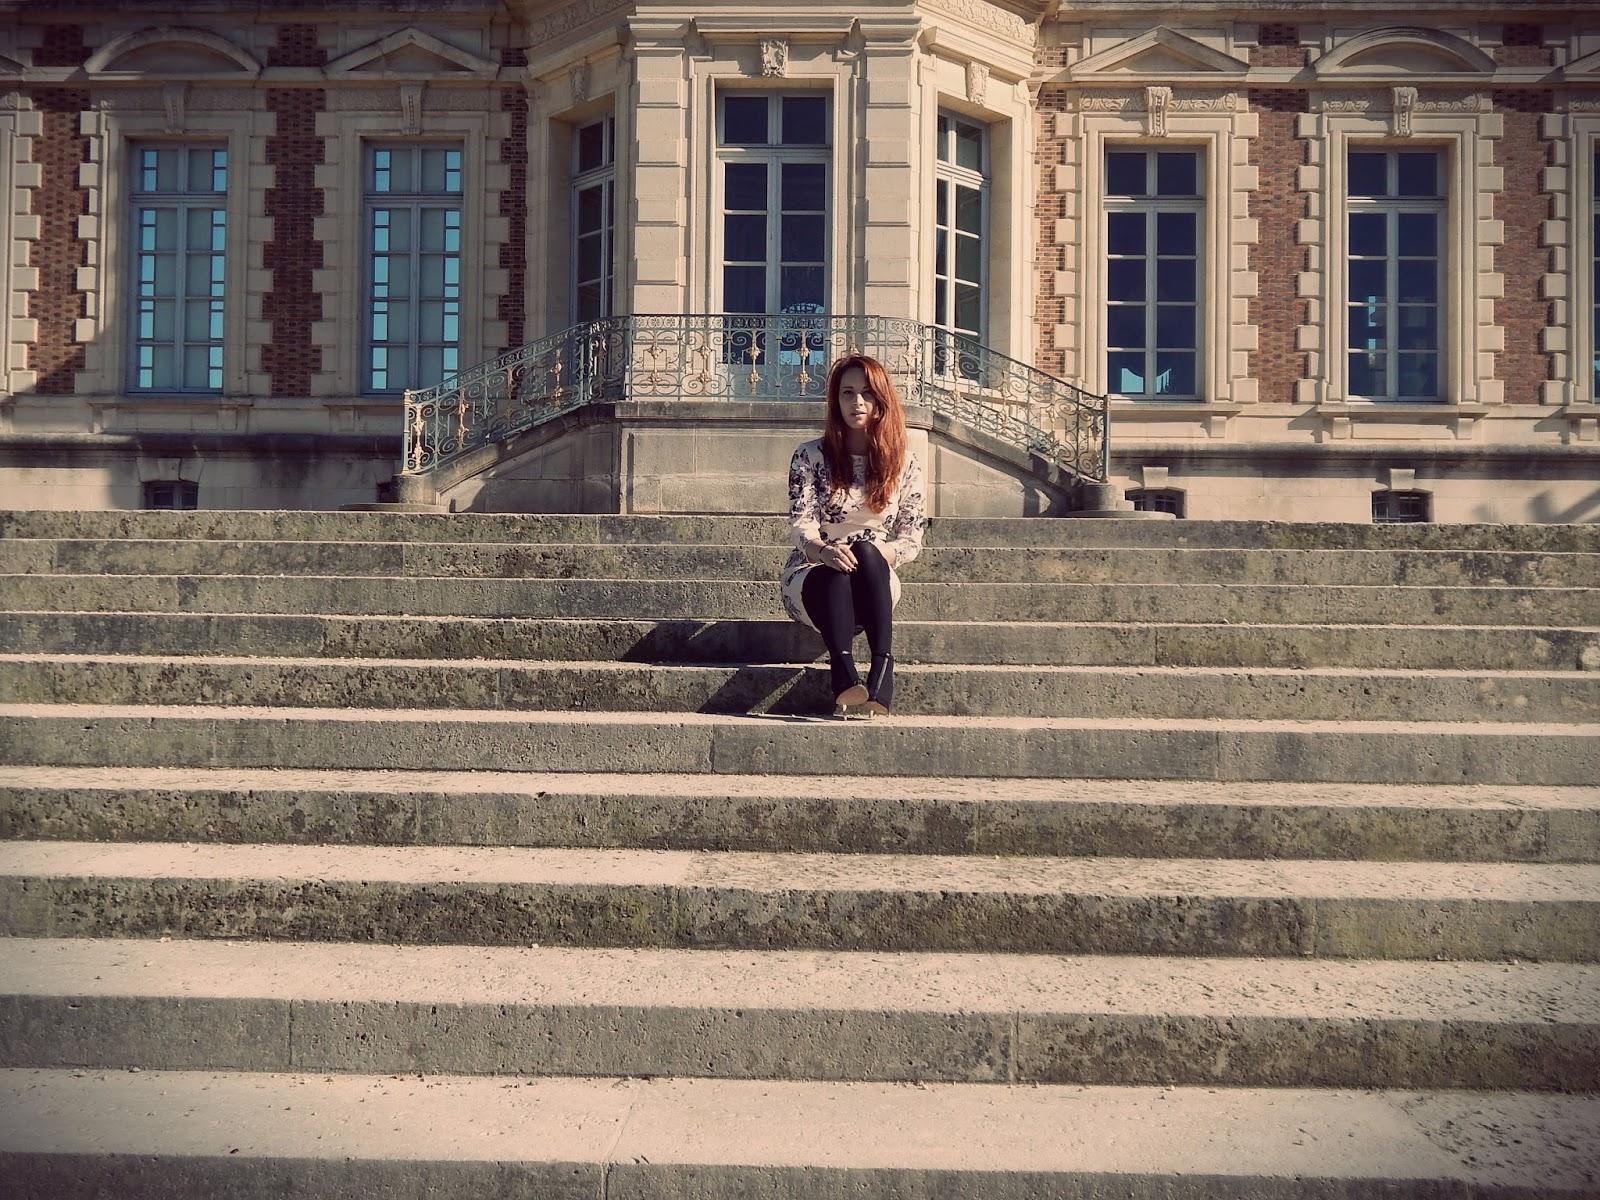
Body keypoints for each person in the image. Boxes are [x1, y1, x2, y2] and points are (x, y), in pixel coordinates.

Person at [781, 354, 926, 717]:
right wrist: (824, 551)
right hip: (813, 576)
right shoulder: (809, 455)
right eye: (847, 393)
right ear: (835, 400)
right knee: (836, 569)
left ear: (881, 401)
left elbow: (911, 538)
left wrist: (871, 555)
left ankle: (881, 667)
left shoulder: (904, 463)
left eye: (866, 393)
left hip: (875, 582)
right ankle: (844, 671)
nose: (856, 402)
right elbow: (802, 523)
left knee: (866, 550)